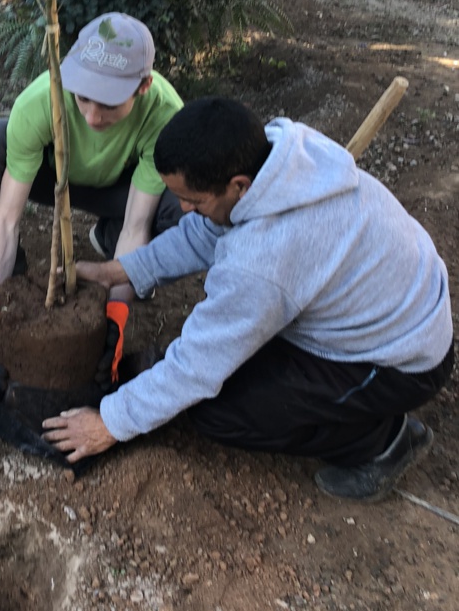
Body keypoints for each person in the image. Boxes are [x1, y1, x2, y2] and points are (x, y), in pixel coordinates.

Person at [43, 97, 454, 502]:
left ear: (239, 186)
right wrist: (117, 271)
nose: (183, 208)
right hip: (376, 304)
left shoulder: (263, 259)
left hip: (398, 359)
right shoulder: (280, 158)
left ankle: (382, 441)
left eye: (193, 200)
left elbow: (199, 368)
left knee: (216, 411)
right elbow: (207, 231)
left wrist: (109, 424)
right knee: (222, 350)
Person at [0, 13, 184, 384]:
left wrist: (114, 316)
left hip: (121, 193)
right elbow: (6, 219)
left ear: (143, 86)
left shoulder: (164, 115)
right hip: (52, 177)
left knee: (181, 206)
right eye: (83, 98)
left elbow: (137, 224)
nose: (93, 116)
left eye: (109, 105)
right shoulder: (41, 101)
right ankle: (9, 280)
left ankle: (111, 245)